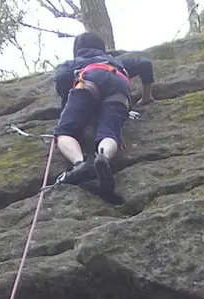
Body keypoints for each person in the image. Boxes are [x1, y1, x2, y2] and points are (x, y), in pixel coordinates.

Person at [52, 32, 155, 194]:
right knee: (110, 132)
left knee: (65, 131)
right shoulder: (117, 61)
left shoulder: (73, 62)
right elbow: (146, 64)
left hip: (88, 80)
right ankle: (103, 158)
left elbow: (62, 78)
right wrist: (146, 96)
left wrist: (69, 107)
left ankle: (80, 164)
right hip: (119, 83)